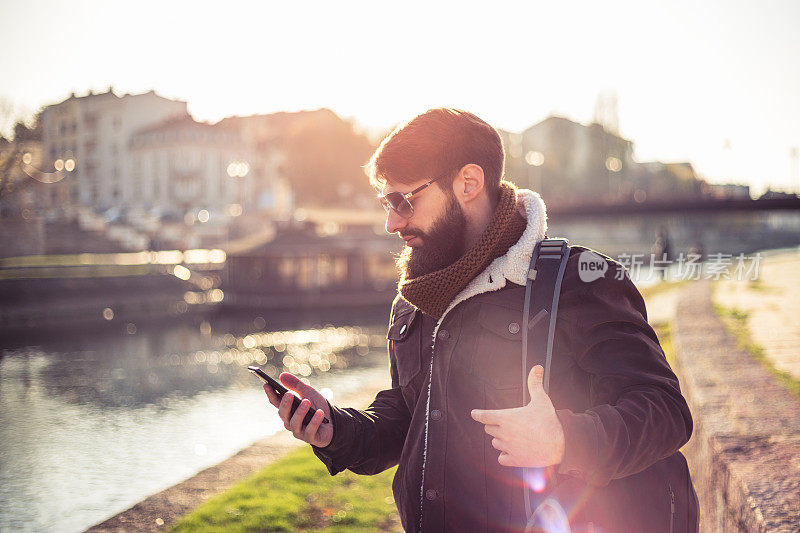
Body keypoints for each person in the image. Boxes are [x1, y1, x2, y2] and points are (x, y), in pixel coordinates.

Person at [263, 108, 698, 532]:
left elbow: (666, 412)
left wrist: (567, 438)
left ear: (469, 182)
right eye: (386, 202)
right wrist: (334, 428)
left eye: (403, 200)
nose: (391, 222)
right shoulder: (414, 297)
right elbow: (407, 421)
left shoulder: (578, 280)